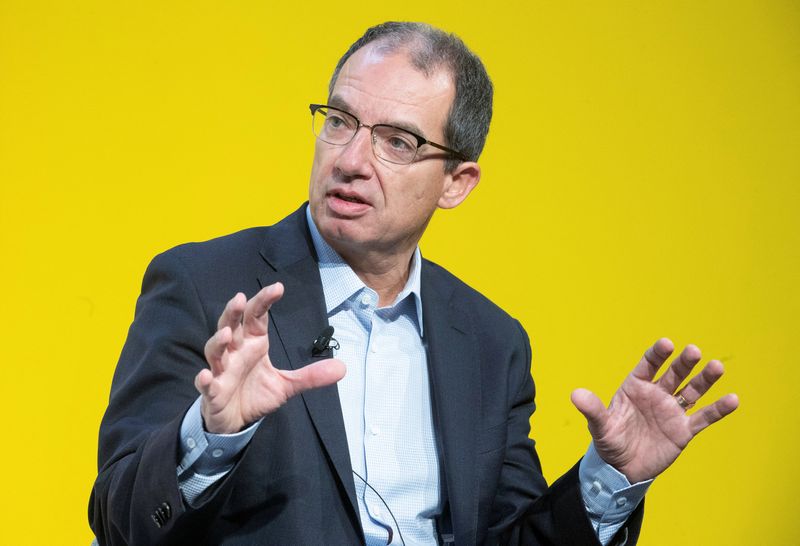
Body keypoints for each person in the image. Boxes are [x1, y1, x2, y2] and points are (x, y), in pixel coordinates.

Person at [90, 22, 739, 546]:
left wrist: (611, 478)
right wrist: (210, 434)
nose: (348, 160)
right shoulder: (209, 289)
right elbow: (119, 520)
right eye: (339, 120)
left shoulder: (490, 342)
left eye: (396, 142)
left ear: (457, 182)